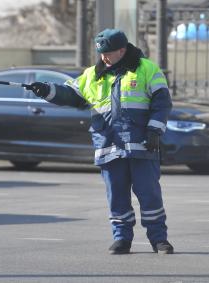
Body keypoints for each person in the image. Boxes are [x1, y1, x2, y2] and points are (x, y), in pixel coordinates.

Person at [30, 29, 174, 255]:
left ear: (122, 50)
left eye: (108, 53)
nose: (104, 57)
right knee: (116, 196)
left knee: (149, 195)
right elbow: (70, 95)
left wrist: (155, 130)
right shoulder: (92, 75)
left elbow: (162, 103)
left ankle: (159, 240)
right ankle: (122, 239)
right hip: (108, 146)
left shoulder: (147, 69)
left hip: (142, 146)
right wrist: (47, 91)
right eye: (101, 53)